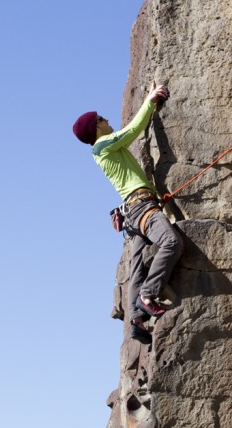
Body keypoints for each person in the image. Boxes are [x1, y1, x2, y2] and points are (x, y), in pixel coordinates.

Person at [73, 82, 183, 344]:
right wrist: (150, 100)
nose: (107, 119)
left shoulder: (106, 152)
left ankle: (136, 318)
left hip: (132, 211)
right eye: (101, 118)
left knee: (136, 267)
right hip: (142, 205)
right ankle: (148, 296)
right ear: (96, 127)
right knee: (171, 242)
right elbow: (134, 130)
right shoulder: (103, 146)